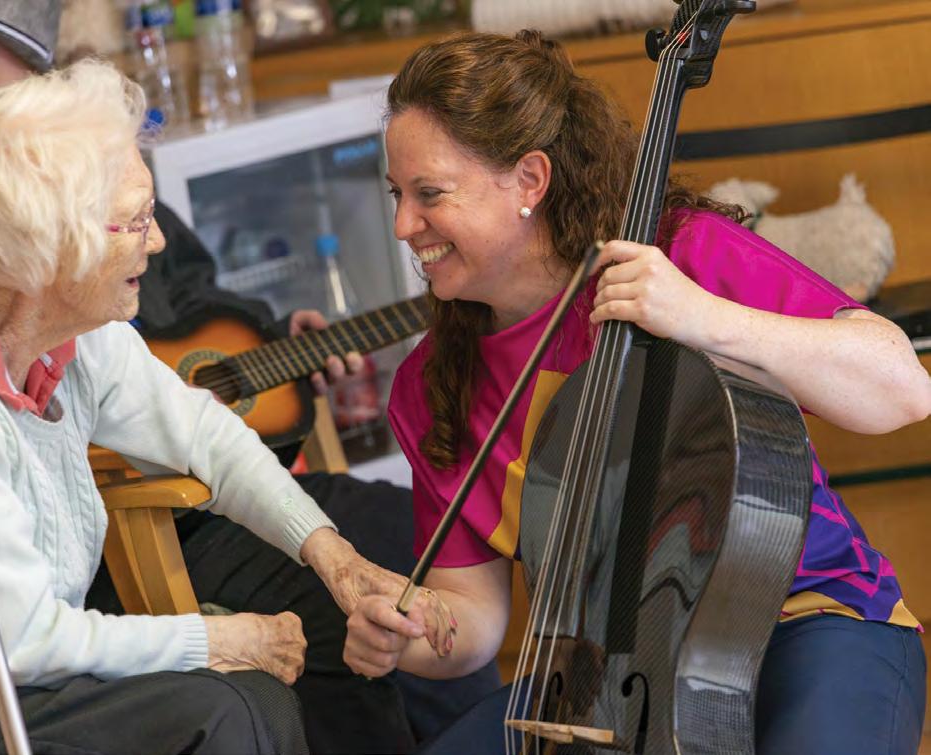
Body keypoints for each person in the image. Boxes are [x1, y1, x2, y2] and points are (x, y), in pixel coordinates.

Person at [0, 2, 500, 749]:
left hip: (27, 650)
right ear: (57, 247)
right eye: (137, 219)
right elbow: (21, 641)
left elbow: (201, 429)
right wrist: (216, 639)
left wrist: (331, 554)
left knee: (262, 691)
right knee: (233, 707)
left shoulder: (58, 313)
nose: (156, 242)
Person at [342, 30, 931, 755]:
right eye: (397, 195)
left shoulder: (677, 256)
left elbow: (903, 388)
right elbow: (475, 615)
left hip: (805, 621)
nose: (403, 226)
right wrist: (410, 632)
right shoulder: (432, 384)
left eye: (429, 194)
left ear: (529, 180)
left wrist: (703, 316)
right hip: (608, 675)